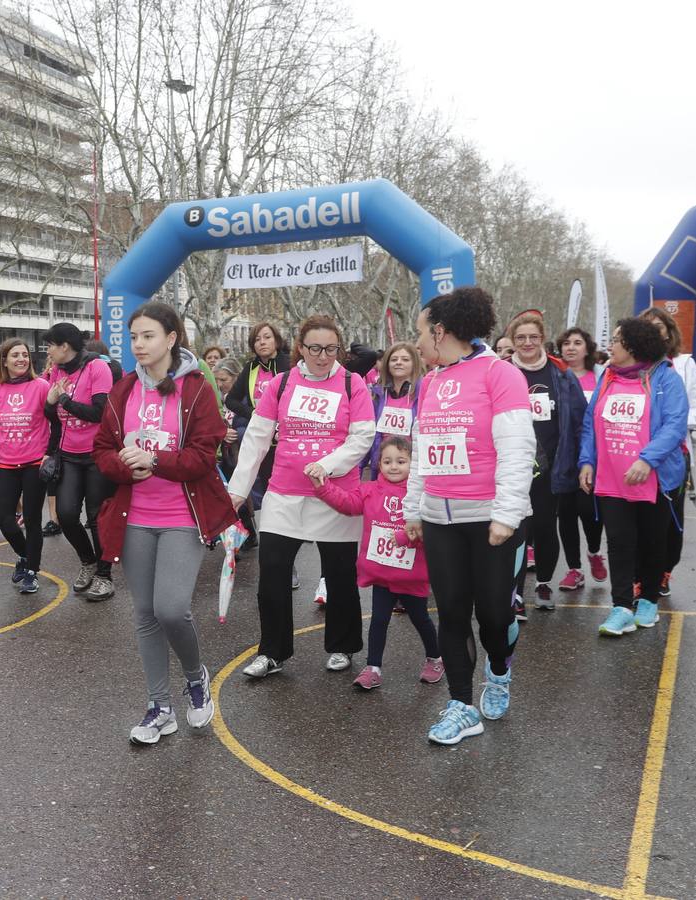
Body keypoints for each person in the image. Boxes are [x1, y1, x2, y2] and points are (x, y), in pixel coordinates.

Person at [93, 302, 236, 744]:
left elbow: (202, 457)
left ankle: (195, 679)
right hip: (134, 517)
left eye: (148, 335)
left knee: (170, 608)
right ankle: (159, 707)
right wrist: (123, 465)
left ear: (172, 338)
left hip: (182, 516)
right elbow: (101, 451)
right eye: (134, 336)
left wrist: (154, 460)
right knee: (144, 614)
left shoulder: (195, 389)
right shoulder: (123, 389)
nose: (139, 344)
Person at [403, 287, 535, 745]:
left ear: (440, 332)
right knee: (453, 613)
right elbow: (422, 451)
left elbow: (518, 449)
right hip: (440, 518)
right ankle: (461, 704)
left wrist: (506, 514)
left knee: (495, 615)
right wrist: (413, 507)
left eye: (420, 333)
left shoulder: (501, 375)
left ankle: (498, 670)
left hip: (492, 520)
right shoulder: (431, 382)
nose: (416, 343)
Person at [228, 315, 375, 677]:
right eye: (314, 348)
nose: (322, 356)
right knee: (273, 572)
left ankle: (343, 645)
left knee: (340, 576)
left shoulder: (352, 383)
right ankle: (272, 651)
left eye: (330, 348)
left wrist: (327, 464)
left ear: (338, 348)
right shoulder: (280, 383)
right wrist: (236, 492)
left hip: (336, 496)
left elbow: (362, 437)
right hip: (284, 495)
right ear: (300, 348)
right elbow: (256, 439)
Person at [579, 317, 688, 637]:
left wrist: (647, 460)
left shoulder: (666, 377)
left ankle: (649, 602)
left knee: (653, 543)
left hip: (653, 479)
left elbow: (674, 425)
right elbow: (590, 422)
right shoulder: (608, 377)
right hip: (611, 479)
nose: (609, 345)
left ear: (633, 346)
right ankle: (621, 606)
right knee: (619, 542)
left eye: (615, 340)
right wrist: (587, 461)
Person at [314, 434, 443, 690]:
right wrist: (323, 487)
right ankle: (373, 667)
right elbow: (348, 504)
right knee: (378, 620)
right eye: (387, 461)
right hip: (382, 573)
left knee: (420, 619)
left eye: (401, 461)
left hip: (410, 574)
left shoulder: (419, 495)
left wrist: (404, 537)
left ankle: (435, 658)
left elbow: (427, 530)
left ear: (412, 464)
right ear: (378, 464)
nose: (394, 466)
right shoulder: (370, 490)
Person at [507, 313, 587, 611]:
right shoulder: (500, 371)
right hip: (511, 465)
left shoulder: (562, 374)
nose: (527, 343)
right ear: (513, 341)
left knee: (543, 526)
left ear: (542, 339)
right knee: (513, 527)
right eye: (521, 338)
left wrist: (582, 462)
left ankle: (542, 584)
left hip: (551, 466)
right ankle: (513, 593)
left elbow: (580, 419)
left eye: (533, 337)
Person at [43, 322, 118, 601]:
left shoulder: (97, 368)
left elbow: (100, 413)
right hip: (69, 455)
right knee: (66, 514)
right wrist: (51, 405)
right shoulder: (57, 371)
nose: (48, 351)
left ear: (65, 346)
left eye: (50, 345)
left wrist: (63, 399)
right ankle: (88, 562)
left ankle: (104, 575)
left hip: (97, 454)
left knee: (97, 517)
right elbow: (53, 417)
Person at [640, 307, 696, 597]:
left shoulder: (682, 365)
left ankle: (664, 571)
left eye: (660, 326)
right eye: (647, 327)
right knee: (635, 522)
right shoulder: (627, 365)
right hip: (632, 456)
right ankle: (637, 577)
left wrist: (676, 424)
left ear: (669, 331)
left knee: (669, 521)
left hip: (673, 457)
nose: (655, 332)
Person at [0, 338, 57, 595]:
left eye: (24, 355)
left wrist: (50, 453)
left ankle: (31, 572)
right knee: (5, 518)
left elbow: (56, 422)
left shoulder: (41, 386)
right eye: (15, 355)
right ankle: (25, 556)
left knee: (34, 519)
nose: (21, 359)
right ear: (4, 360)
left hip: (35, 462)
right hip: (5, 463)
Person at [225, 322, 292, 556]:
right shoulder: (250, 367)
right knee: (262, 493)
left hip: (286, 441)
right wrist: (253, 414)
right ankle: (262, 539)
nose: (262, 342)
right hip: (261, 440)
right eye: (257, 339)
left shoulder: (288, 364)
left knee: (281, 495)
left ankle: (286, 554)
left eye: (266, 337)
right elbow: (231, 400)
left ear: (276, 340)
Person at [555, 328, 607, 586]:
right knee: (565, 514)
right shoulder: (557, 376)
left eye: (577, 343)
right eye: (566, 343)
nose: (571, 347)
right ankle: (574, 569)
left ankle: (595, 552)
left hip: (592, 456)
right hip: (562, 457)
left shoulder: (601, 378)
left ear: (588, 348)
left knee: (589, 511)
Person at [362, 342, 424, 480]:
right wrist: (360, 467)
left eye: (405, 359)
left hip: (412, 467)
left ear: (415, 363)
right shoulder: (378, 394)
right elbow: (368, 432)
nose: (399, 363)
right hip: (383, 467)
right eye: (394, 359)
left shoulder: (425, 393)